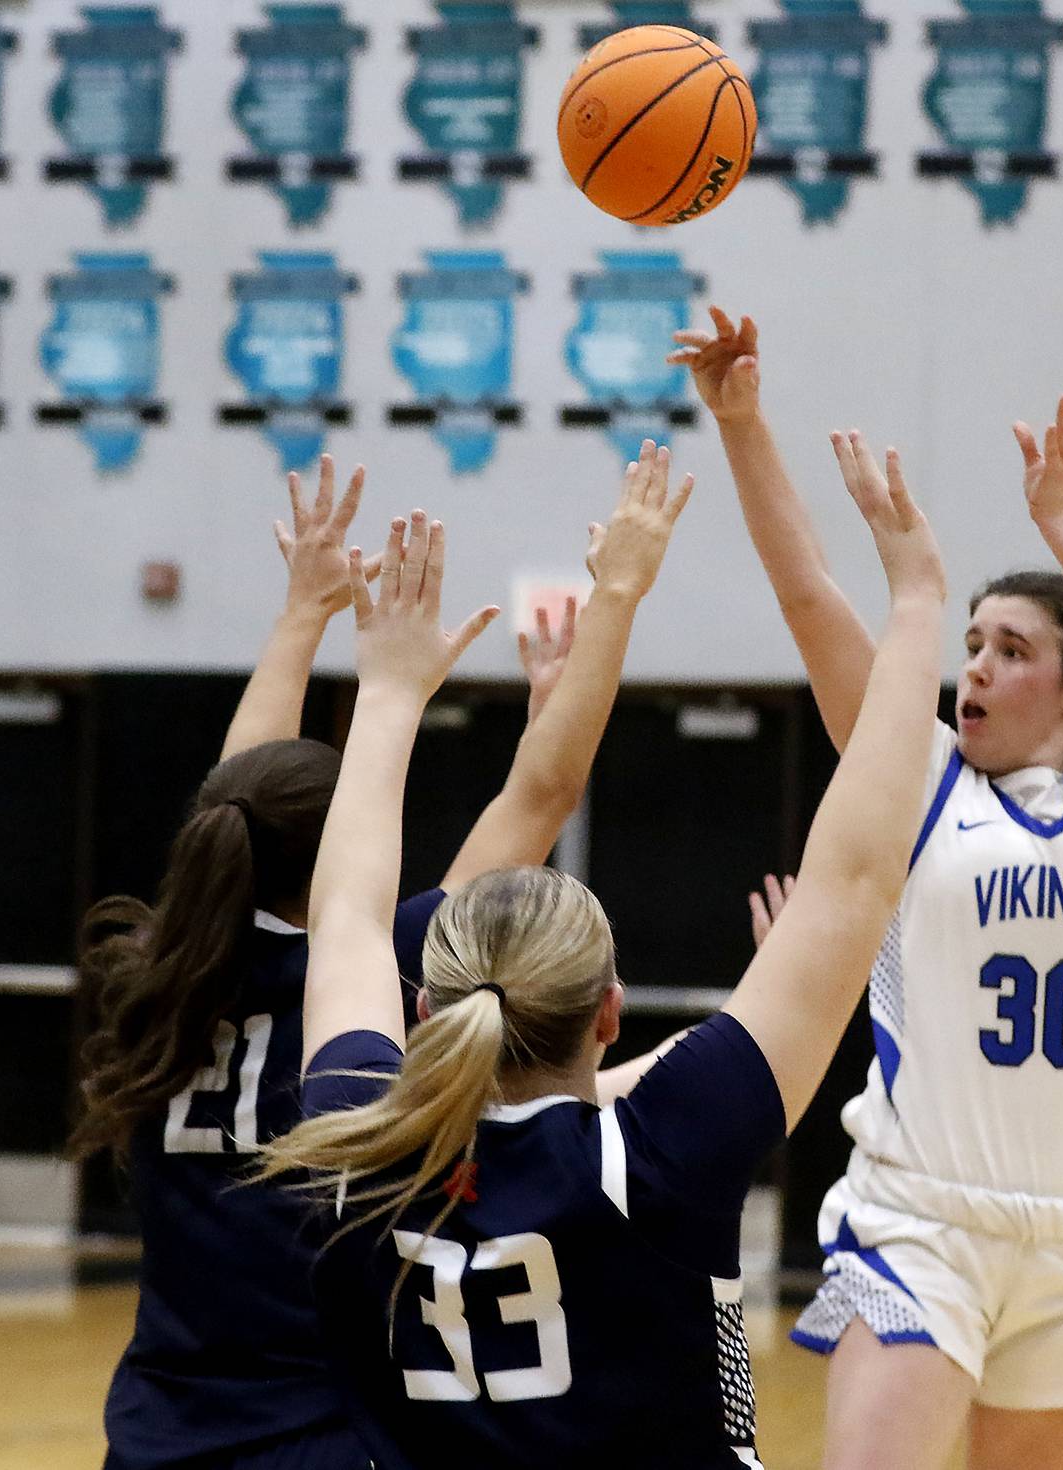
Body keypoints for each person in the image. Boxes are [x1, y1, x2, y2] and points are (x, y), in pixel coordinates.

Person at [260, 432, 946, 1470]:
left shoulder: (355, 1141)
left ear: (427, 1010)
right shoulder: (661, 1151)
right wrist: (917, 605)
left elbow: (348, 914)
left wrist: (389, 692)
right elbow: (856, 876)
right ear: (608, 1012)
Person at [670, 308, 1063, 1470]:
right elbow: (815, 598)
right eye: (969, 641)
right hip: (925, 1226)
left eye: (1011, 649)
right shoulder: (919, 776)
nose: (974, 664)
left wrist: (1061, 524)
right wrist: (740, 425)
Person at [71, 445, 686, 1470]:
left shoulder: (157, 968)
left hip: (156, 1426)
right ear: (343, 849)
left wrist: (300, 614)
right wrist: (615, 600)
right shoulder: (381, 972)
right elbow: (543, 795)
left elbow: (235, 793)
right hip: (318, 1427)